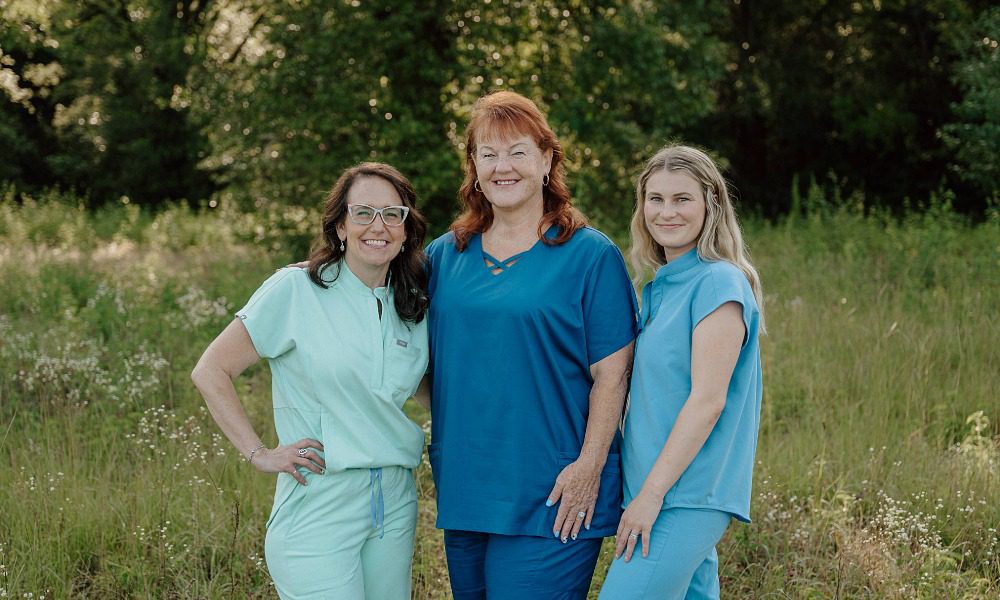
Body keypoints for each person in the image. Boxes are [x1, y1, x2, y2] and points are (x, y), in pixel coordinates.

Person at [424, 90, 638, 600]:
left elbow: (614, 375)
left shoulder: (590, 256)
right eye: (487, 154)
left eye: (517, 152)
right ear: (473, 168)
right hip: (468, 482)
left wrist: (589, 466)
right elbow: (406, 350)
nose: (503, 167)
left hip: (554, 488)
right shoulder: (443, 257)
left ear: (547, 160)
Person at [190, 162, 430, 600]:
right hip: (321, 498)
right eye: (363, 213)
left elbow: (415, 388)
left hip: (395, 500)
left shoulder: (411, 302)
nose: (378, 226)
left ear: (405, 228)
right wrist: (258, 453)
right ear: (340, 226)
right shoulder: (295, 289)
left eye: (392, 214)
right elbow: (210, 371)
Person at [598, 145, 765, 599]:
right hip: (653, 489)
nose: (666, 211)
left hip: (681, 495)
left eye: (682, 199)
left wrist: (651, 496)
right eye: (655, 199)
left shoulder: (718, 282)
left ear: (711, 204)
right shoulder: (659, 288)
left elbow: (707, 403)